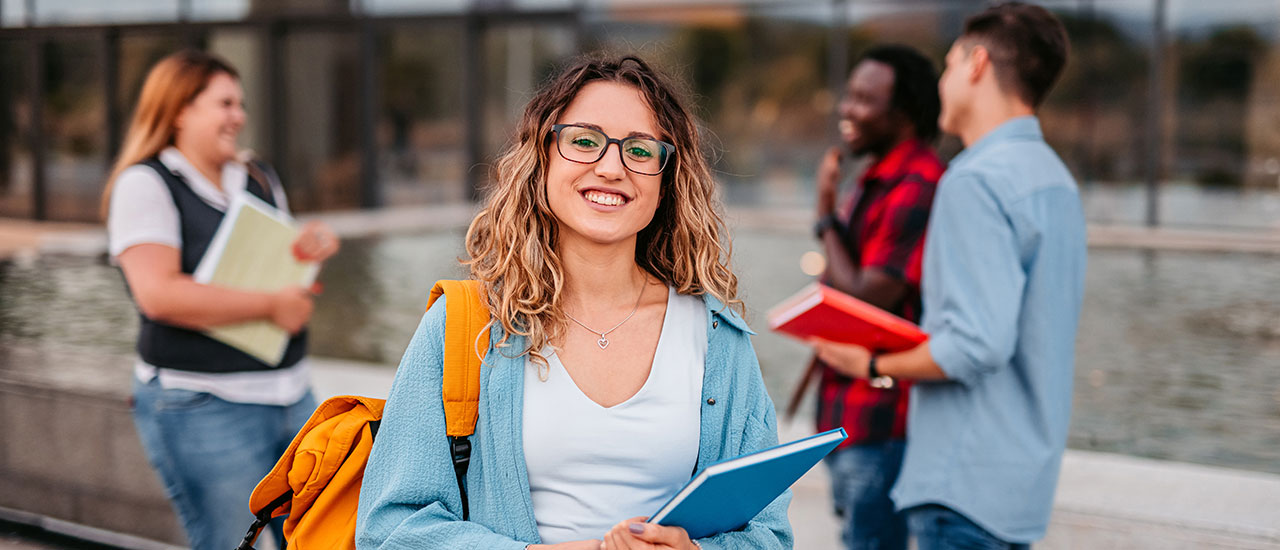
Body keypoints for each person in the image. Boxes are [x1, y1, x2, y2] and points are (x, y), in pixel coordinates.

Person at [356, 55, 792, 550]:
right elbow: (389, 528)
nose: (611, 168)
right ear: (542, 159)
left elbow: (769, 534)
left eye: (640, 151)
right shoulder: (465, 324)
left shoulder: (717, 339)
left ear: (665, 180)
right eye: (584, 141)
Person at [810, 3, 1085, 549]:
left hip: (961, 487)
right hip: (1021, 488)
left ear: (976, 63)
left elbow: (975, 346)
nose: (943, 81)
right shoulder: (1057, 181)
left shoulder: (973, 181)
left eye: (949, 65)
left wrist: (868, 363)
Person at [103, 50, 339, 550]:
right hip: (203, 405)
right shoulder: (145, 184)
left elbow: (278, 260)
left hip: (290, 396)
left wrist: (308, 245)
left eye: (241, 103)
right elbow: (159, 295)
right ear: (179, 111)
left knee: (328, 539)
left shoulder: (257, 176)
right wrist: (272, 307)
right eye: (225, 103)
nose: (240, 116)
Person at [799, 44, 942, 550]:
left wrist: (825, 218)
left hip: (881, 421)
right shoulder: (877, 180)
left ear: (901, 114)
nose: (846, 109)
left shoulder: (918, 183)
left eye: (863, 99)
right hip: (850, 414)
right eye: (848, 95)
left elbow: (866, 298)